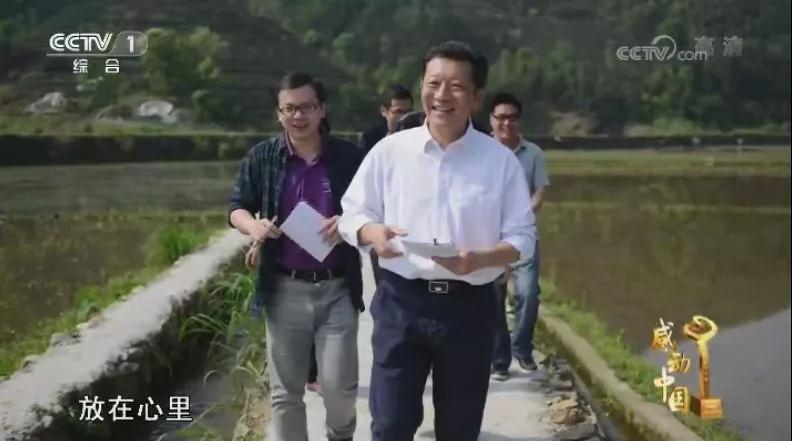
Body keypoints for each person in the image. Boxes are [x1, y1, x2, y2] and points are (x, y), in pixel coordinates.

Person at [339, 41, 536, 441]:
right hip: (401, 302)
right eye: (433, 83)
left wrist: (480, 259)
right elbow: (352, 214)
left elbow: (523, 237)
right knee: (390, 425)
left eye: (456, 86)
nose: (442, 95)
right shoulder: (390, 152)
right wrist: (373, 233)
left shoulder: (499, 162)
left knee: (459, 429)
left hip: (469, 308)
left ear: (476, 98)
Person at [229, 72, 364, 441]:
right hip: (284, 288)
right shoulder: (263, 158)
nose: (298, 116)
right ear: (279, 114)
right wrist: (252, 227)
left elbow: (375, 207)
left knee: (338, 387)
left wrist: (349, 222)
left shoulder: (349, 158)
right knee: (285, 392)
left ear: (321, 110)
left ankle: (341, 434)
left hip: (337, 287)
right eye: (289, 109)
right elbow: (237, 207)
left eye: (306, 107)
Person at [488, 92, 550, 382]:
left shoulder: (533, 153)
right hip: (489, 238)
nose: (507, 123)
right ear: (491, 120)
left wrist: (521, 215)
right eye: (501, 117)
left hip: (524, 236)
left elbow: (540, 191)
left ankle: (523, 349)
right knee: (494, 298)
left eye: (512, 117)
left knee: (528, 293)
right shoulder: (480, 151)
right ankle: (499, 359)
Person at [359, 84, 414, 152]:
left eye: (408, 112)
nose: (404, 116)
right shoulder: (371, 138)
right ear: (384, 111)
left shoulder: (418, 135)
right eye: (399, 112)